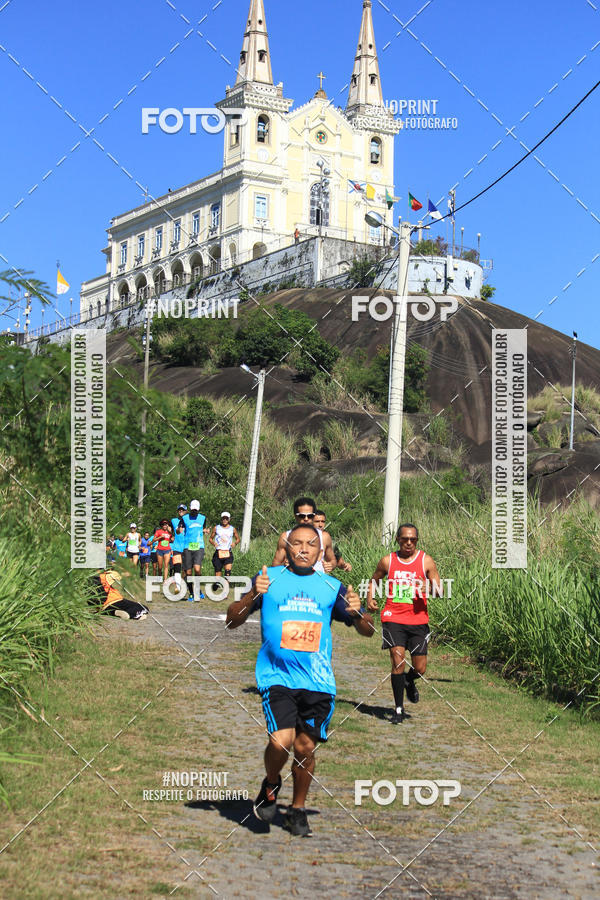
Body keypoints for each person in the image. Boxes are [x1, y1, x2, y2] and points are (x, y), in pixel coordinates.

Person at [227, 523, 374, 836]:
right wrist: (254, 593)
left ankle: (297, 809)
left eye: (310, 544)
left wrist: (359, 613)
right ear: (286, 548)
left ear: (321, 551)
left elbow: (367, 630)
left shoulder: (332, 586)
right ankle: (271, 783)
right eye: (296, 543)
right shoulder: (269, 579)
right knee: (280, 741)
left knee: (306, 748)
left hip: (318, 681)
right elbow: (232, 621)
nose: (303, 549)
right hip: (277, 676)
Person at [367, 523, 442, 724]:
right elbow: (374, 579)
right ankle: (398, 709)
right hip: (393, 619)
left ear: (417, 541)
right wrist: (370, 598)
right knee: (397, 661)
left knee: (420, 668)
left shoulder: (425, 561)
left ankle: (409, 681)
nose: (408, 543)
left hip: (418, 620)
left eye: (413, 540)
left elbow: (440, 591)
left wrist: (429, 586)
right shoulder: (388, 561)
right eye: (404, 539)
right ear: (398, 540)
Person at [272, 497, 336, 574]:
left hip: (316, 584)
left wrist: (330, 565)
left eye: (310, 516)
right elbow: (275, 567)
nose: (306, 519)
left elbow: (332, 560)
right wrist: (284, 566)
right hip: (293, 583)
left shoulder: (324, 537)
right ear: (295, 516)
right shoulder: (285, 537)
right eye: (302, 516)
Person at [180, 500, 207, 601]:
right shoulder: (184, 518)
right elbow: (179, 529)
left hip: (199, 546)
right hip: (187, 547)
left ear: (198, 509)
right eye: (192, 510)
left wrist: (205, 531)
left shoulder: (203, 518)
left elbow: (202, 529)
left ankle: (198, 588)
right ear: (190, 509)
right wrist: (179, 530)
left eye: (196, 510)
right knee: (188, 572)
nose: (194, 511)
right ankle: (191, 593)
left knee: (197, 569)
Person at [209, 512, 240, 580]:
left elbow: (238, 539)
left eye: (226, 518)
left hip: (228, 552)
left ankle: (226, 587)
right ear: (221, 519)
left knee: (228, 572)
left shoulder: (232, 529)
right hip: (218, 552)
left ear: (229, 519)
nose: (225, 520)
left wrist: (235, 543)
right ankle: (217, 583)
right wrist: (214, 543)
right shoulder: (216, 528)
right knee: (218, 572)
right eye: (223, 518)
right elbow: (210, 539)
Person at [170, 503, 188, 596]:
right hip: (177, 547)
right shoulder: (173, 520)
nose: (181, 511)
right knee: (177, 567)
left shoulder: (189, 521)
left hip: (186, 547)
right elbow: (170, 531)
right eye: (179, 510)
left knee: (186, 570)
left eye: (183, 510)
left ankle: (183, 585)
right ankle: (178, 587)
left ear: (186, 511)